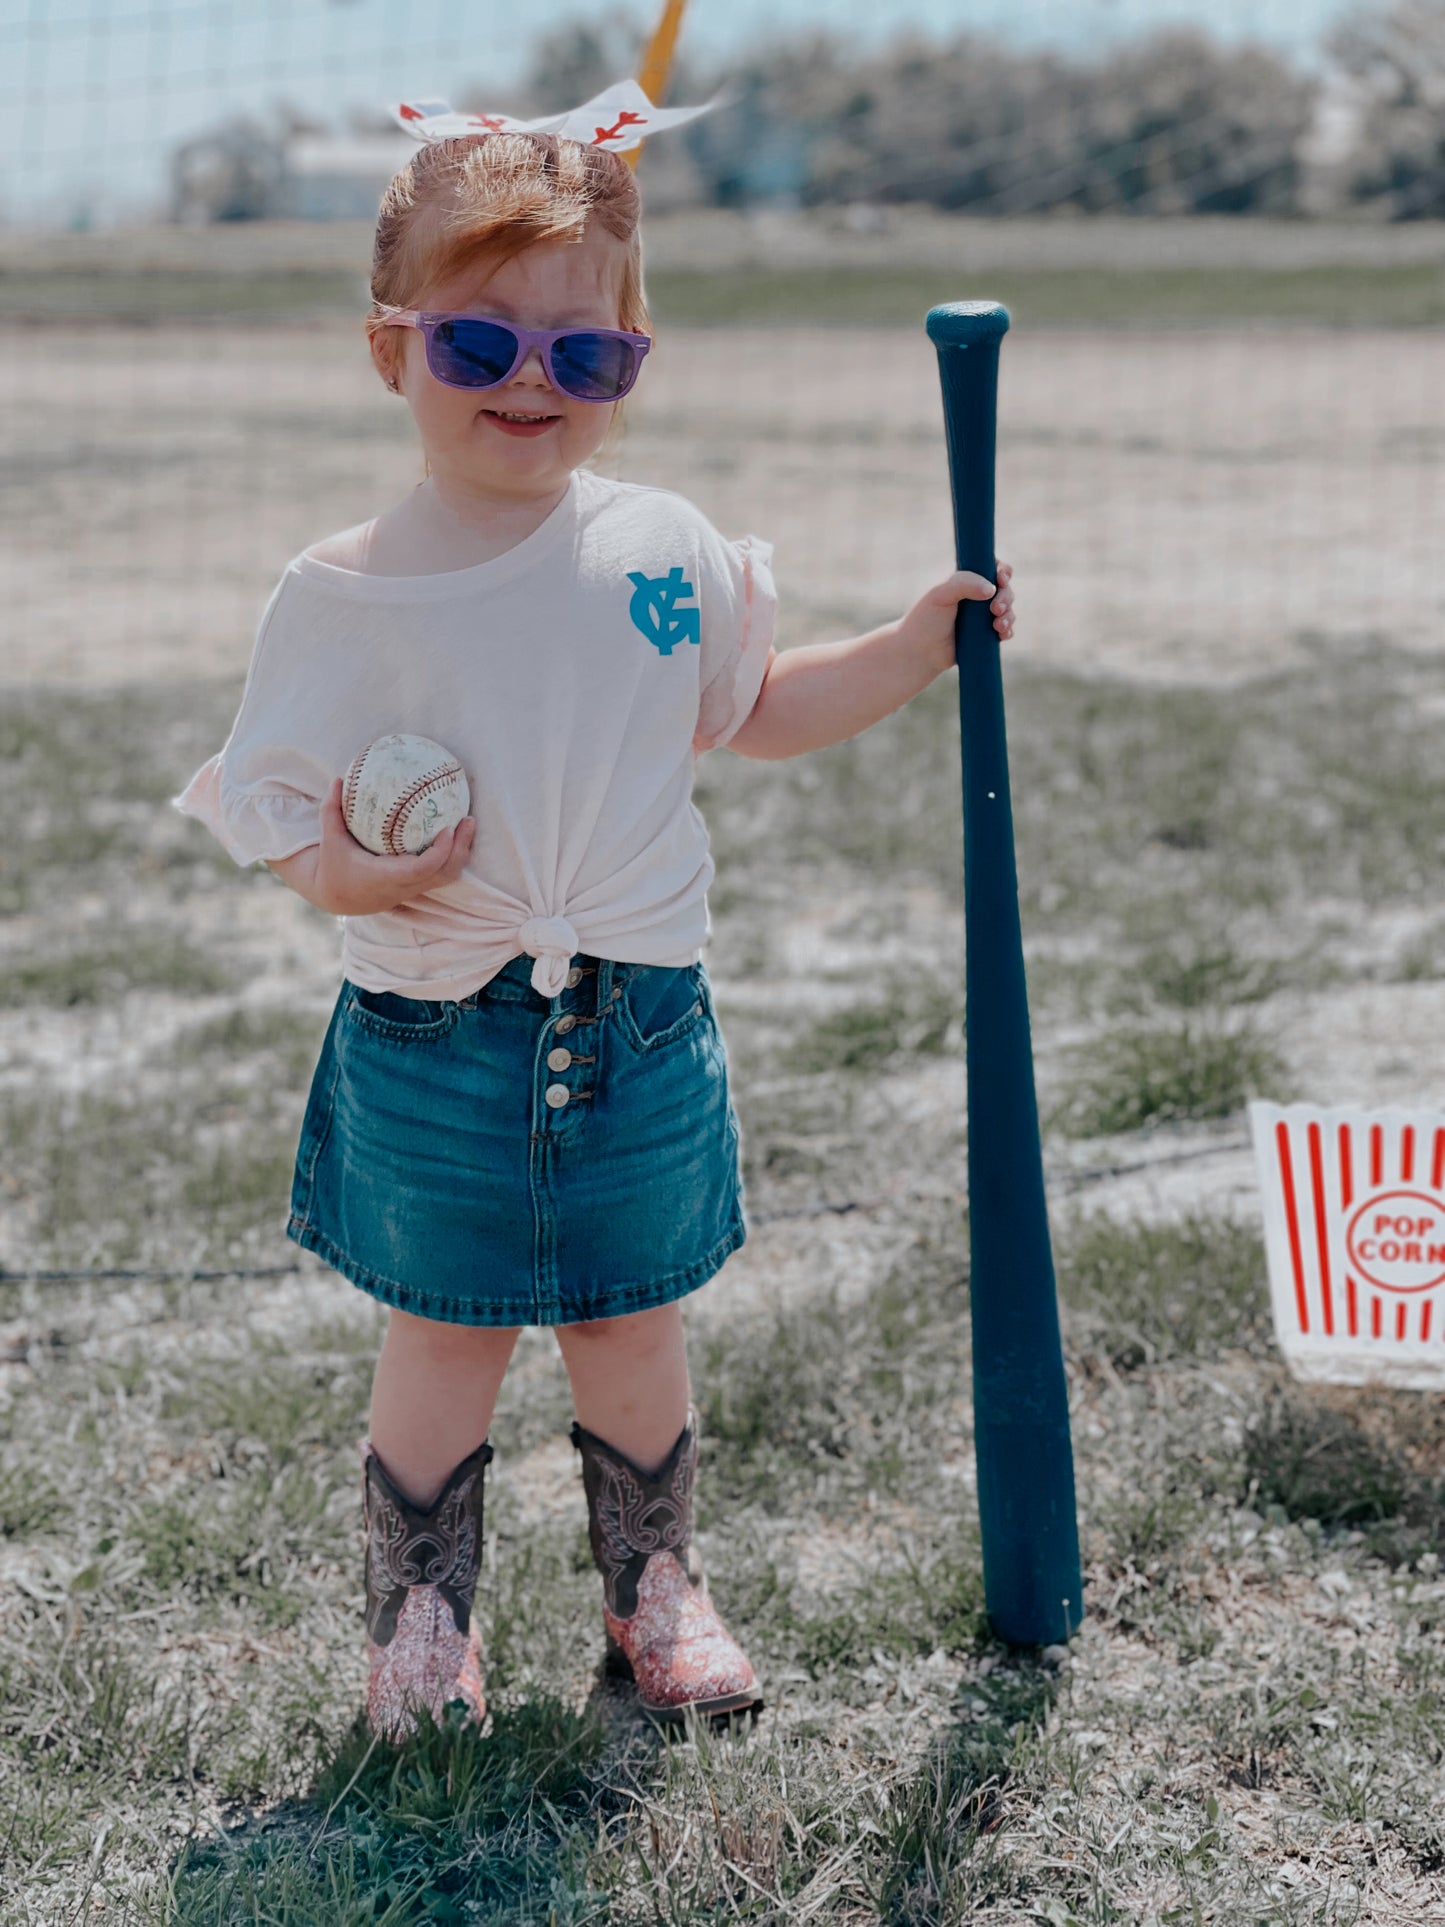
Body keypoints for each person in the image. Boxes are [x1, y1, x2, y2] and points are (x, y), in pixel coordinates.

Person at [171, 92, 1015, 1744]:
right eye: (480, 344)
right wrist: (358, 871)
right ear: (390, 350)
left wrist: (911, 645)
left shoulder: (663, 550)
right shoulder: (339, 591)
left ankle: (655, 1585)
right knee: (446, 1334)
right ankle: (423, 1621)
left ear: (636, 358)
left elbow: (750, 705)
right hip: (433, 1020)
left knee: (633, 1318)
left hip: (638, 1014)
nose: (531, 387)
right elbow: (271, 814)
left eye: (588, 356)